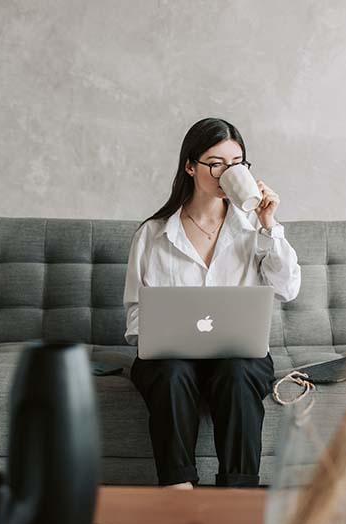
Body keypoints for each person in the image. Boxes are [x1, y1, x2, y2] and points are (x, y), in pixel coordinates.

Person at [122, 117, 302, 488]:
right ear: (190, 166)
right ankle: (178, 491)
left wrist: (270, 224)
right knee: (171, 373)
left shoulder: (254, 228)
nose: (227, 173)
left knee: (238, 374)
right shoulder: (153, 234)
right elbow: (136, 316)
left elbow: (288, 289)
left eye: (237, 164)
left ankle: (237, 496)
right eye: (215, 163)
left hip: (237, 355)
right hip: (171, 359)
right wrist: (160, 335)